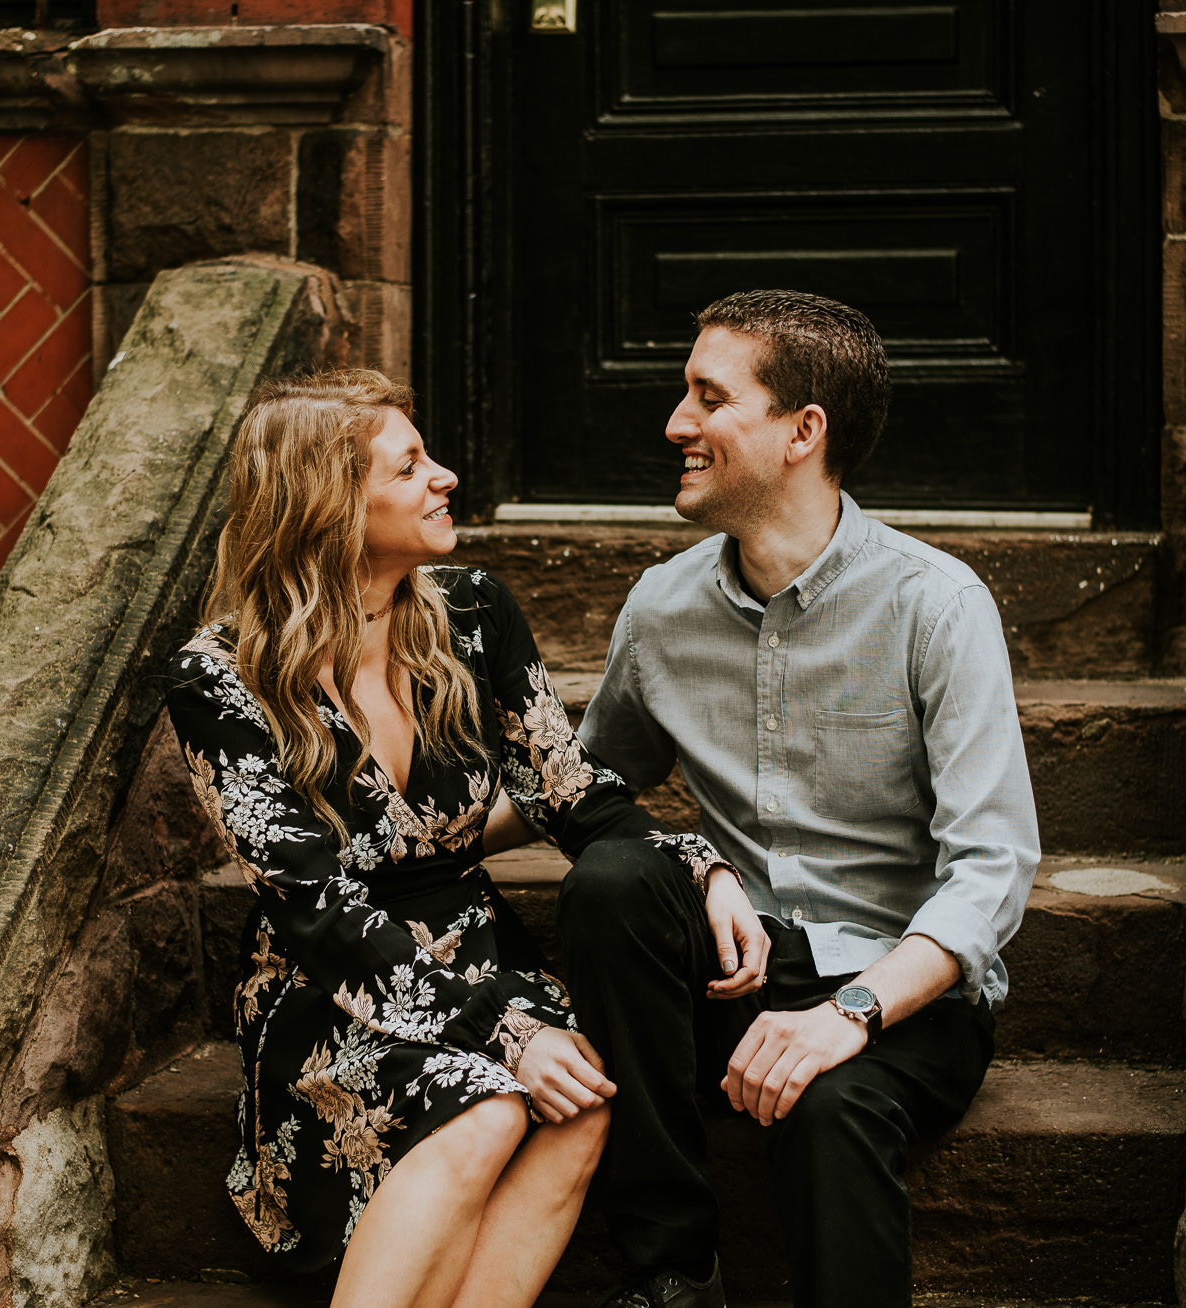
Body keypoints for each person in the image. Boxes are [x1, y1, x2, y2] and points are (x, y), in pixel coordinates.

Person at [164, 369, 760, 1308]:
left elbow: (574, 795)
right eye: (410, 467)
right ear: (328, 506)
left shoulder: (473, 614)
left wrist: (701, 869)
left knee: (580, 1109)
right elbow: (314, 909)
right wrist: (504, 1035)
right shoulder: (220, 678)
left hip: (481, 952)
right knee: (485, 1111)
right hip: (335, 980)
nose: (444, 476)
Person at [560, 291, 1041, 1308]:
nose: (674, 425)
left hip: (900, 997)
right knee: (614, 879)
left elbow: (992, 866)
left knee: (828, 1117)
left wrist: (850, 1015)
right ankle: (672, 1273)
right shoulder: (662, 607)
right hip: (738, 976)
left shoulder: (935, 606)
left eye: (707, 397)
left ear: (800, 432)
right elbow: (586, 785)